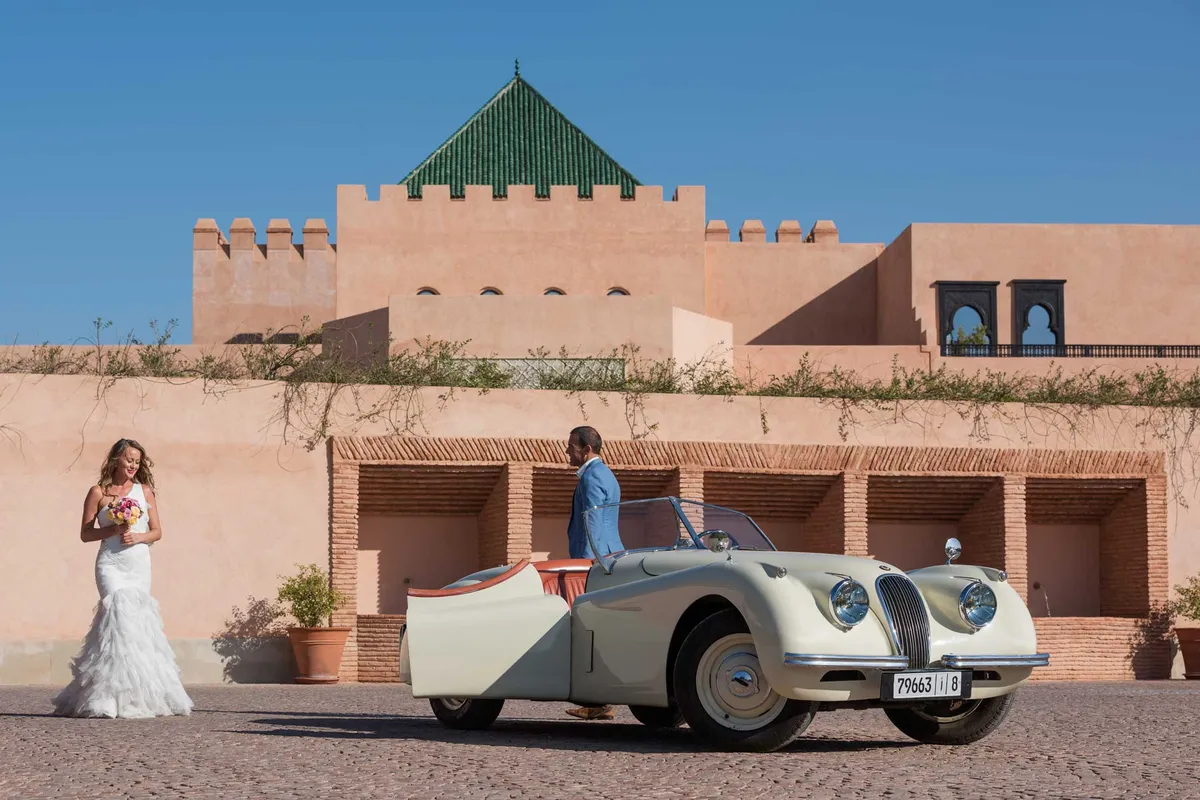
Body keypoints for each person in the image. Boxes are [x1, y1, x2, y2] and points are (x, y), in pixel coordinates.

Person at [52, 438, 193, 719]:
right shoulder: (98, 492)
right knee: (115, 618)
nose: (133, 465)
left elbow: (157, 531)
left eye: (138, 461)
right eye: (129, 459)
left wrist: (137, 536)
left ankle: (138, 695)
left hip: (138, 562)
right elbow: (85, 534)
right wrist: (113, 530)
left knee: (137, 624)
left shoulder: (145, 491)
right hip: (111, 564)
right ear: (116, 458)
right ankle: (105, 697)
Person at [563, 425, 623, 721]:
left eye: (571, 446)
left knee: (589, 631)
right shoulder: (607, 474)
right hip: (610, 556)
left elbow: (594, 523)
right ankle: (600, 701)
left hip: (596, 563)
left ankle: (597, 702)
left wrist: (585, 566)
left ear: (587, 449)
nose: (567, 451)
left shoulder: (592, 476)